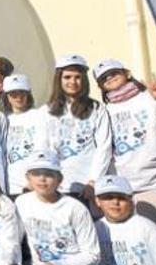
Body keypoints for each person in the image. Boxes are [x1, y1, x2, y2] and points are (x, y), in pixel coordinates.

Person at [93, 59, 156, 233]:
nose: (109, 78)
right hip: (117, 187)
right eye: (103, 78)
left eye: (113, 73)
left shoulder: (150, 98)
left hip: (150, 183)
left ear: (127, 73)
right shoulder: (104, 111)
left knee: (155, 236)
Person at [45, 55, 112, 208]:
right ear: (59, 79)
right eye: (67, 77)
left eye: (78, 77)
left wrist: (93, 181)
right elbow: (44, 148)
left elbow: (104, 146)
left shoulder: (96, 109)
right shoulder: (46, 111)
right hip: (58, 188)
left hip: (89, 188)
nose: (73, 82)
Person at [3, 75, 49, 198]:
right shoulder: (3, 119)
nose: (18, 98)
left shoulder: (38, 115)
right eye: (13, 94)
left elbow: (43, 147)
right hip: (10, 187)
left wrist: (33, 180)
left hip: (33, 185)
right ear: (7, 96)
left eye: (22, 93)